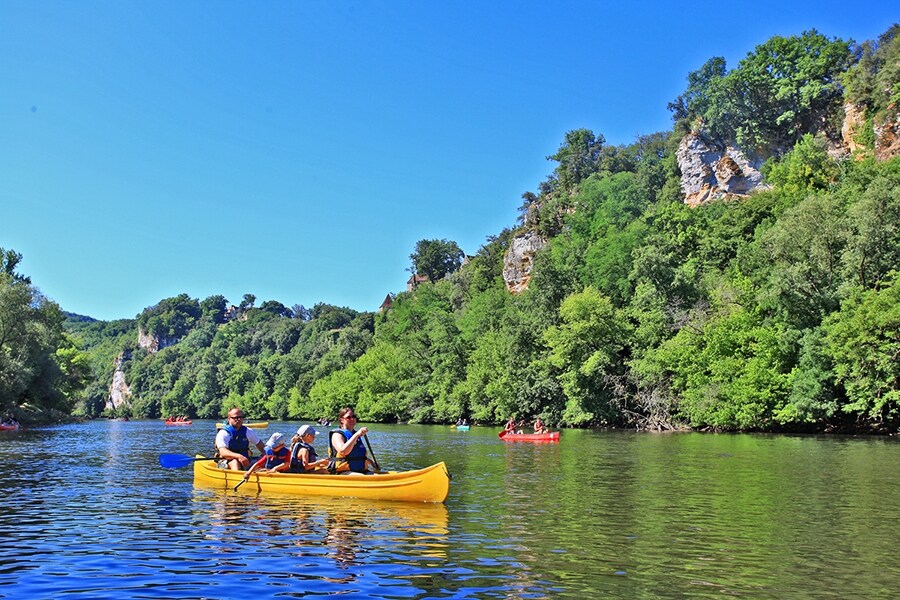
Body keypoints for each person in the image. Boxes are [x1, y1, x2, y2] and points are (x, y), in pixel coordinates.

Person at [328, 407, 378, 474]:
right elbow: (343, 451)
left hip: (361, 470)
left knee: (377, 477)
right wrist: (357, 435)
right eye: (348, 417)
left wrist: (372, 463)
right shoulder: (337, 435)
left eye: (354, 417)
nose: (352, 419)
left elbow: (358, 456)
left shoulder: (355, 434)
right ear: (342, 420)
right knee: (364, 479)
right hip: (342, 472)